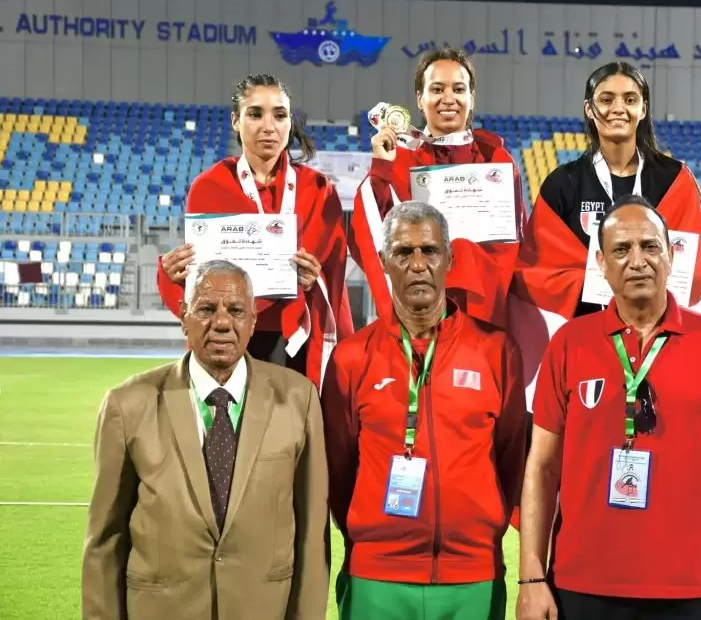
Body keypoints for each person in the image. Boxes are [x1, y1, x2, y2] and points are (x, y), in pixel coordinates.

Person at [516, 196, 701, 620]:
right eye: (621, 250)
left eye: (650, 247)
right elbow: (541, 468)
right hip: (581, 587)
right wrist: (531, 578)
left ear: (671, 256)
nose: (638, 261)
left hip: (694, 588)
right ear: (600, 262)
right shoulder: (569, 344)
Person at [82, 260, 330, 619]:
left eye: (235, 310)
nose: (222, 323)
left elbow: (311, 534)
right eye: (206, 309)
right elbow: (104, 542)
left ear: (253, 321)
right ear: (184, 316)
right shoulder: (127, 405)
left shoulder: (298, 399)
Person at [324, 201, 527, 620]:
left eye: (430, 251)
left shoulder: (496, 350)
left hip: (471, 577)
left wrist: (478, 523)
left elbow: (511, 458)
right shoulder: (351, 357)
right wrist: (374, 532)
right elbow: (338, 469)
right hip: (377, 578)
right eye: (403, 252)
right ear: (383, 262)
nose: (418, 264)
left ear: (449, 259)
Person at [508, 61, 701, 415]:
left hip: (661, 348)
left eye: (630, 99)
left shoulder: (674, 180)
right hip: (587, 350)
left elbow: (691, 270)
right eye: (607, 99)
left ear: (643, 108)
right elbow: (538, 275)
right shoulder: (562, 185)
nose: (618, 109)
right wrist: (610, 279)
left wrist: (607, 275)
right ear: (589, 108)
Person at [157, 73, 354, 392]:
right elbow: (201, 279)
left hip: (295, 343)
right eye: (255, 114)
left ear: (290, 122)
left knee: (287, 439)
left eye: (279, 115)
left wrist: (312, 279)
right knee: (226, 437)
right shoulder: (209, 186)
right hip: (225, 337)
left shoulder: (318, 190)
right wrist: (174, 274)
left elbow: (332, 278)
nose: (268, 126)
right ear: (235, 120)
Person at [349, 47, 528, 329]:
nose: (449, 99)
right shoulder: (400, 161)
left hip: (486, 312)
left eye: (459, 89)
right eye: (437, 89)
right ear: (420, 99)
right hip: (421, 313)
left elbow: (516, 243)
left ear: (472, 98)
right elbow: (374, 231)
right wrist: (381, 168)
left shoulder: (496, 160)